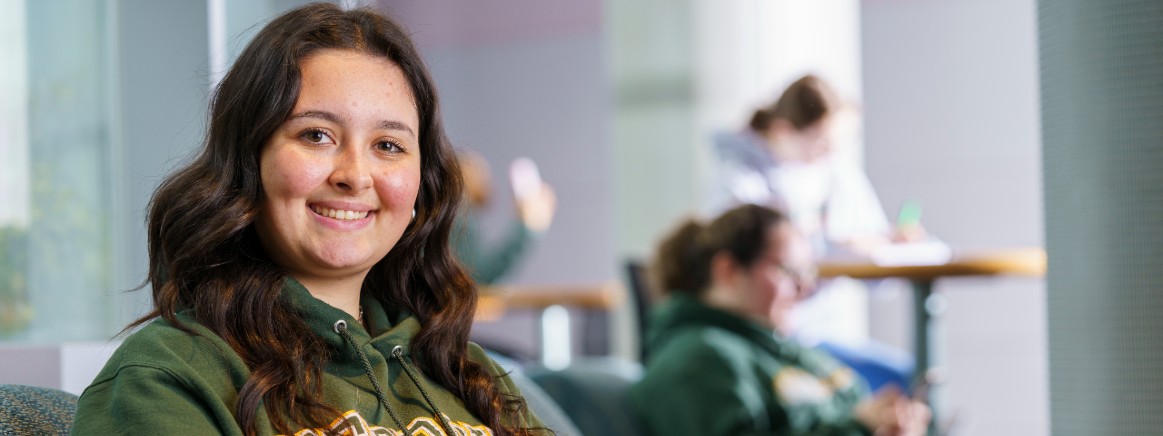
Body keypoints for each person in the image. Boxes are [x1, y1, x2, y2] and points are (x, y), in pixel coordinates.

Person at [72, 4, 547, 436]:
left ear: (421, 186)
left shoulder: (466, 371)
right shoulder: (168, 377)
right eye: (316, 135)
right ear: (246, 162)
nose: (355, 176)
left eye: (388, 145)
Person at [630, 204, 929, 435]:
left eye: (807, 273)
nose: (805, 288)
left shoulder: (785, 350)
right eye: (789, 272)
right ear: (728, 270)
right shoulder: (693, 361)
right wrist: (859, 428)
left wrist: (885, 421)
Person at [711, 75, 920, 391]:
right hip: (776, 335)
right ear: (783, 130)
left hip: (823, 330)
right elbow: (749, 259)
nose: (826, 155)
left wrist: (886, 241)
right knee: (893, 385)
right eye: (819, 143)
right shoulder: (737, 179)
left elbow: (873, 255)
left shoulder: (833, 172)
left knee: (910, 381)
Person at [453, 151, 556, 285]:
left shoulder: (458, 216)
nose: (489, 183)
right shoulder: (460, 219)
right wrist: (527, 229)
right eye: (482, 175)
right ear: (464, 177)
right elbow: (483, 273)